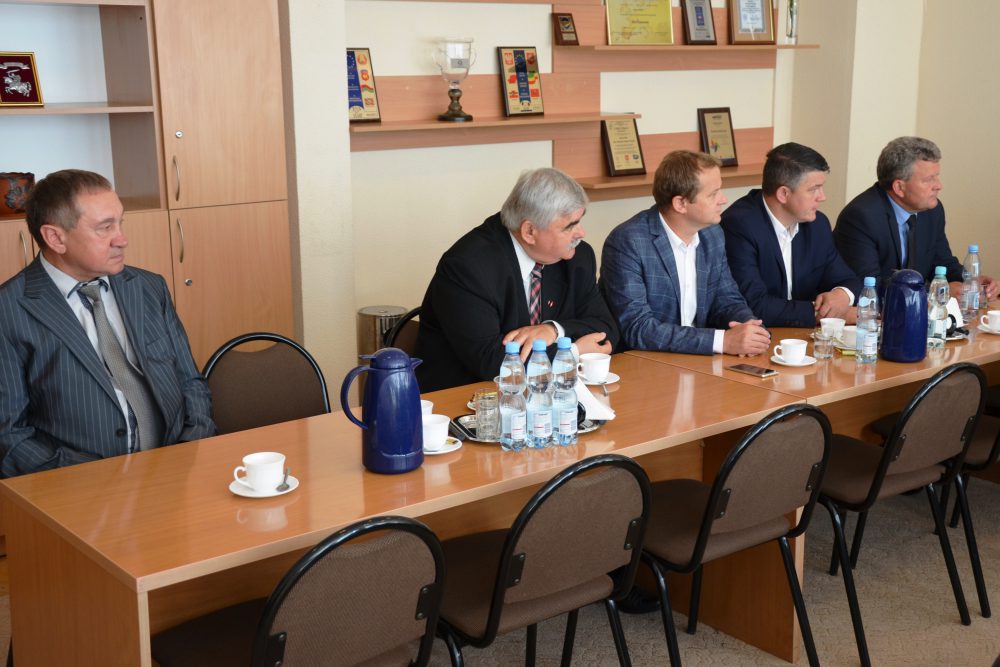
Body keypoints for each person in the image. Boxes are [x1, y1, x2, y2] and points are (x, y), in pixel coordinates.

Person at [0, 169, 215, 477]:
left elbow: (190, 382)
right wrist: (101, 480)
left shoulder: (148, 287)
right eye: (105, 227)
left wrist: (192, 450)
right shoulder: (8, 310)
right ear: (55, 238)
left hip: (176, 472)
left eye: (120, 222)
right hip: (78, 486)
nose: (122, 239)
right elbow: (9, 436)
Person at [415, 168, 617, 392]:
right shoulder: (468, 267)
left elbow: (606, 330)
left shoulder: (577, 258)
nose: (581, 233)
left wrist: (554, 330)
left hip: (545, 395)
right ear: (529, 231)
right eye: (570, 226)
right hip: (467, 396)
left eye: (579, 221)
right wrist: (573, 352)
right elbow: (492, 362)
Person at [600, 150, 770, 356]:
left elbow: (727, 299)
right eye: (713, 194)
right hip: (645, 361)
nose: (723, 200)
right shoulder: (628, 242)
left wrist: (749, 327)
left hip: (697, 359)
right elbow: (638, 328)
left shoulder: (712, 234)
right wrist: (721, 341)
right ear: (680, 203)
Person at [834, 136, 998, 299]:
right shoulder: (861, 217)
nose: (939, 185)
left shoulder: (932, 210)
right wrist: (938, 291)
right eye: (929, 179)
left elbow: (942, 263)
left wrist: (971, 281)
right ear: (899, 187)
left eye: (937, 176)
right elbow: (869, 287)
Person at [721, 142, 861, 328]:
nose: (822, 197)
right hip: (760, 334)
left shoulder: (817, 224)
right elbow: (753, 304)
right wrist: (825, 315)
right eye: (814, 189)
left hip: (803, 336)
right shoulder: (738, 225)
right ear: (783, 194)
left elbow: (848, 279)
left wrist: (842, 295)